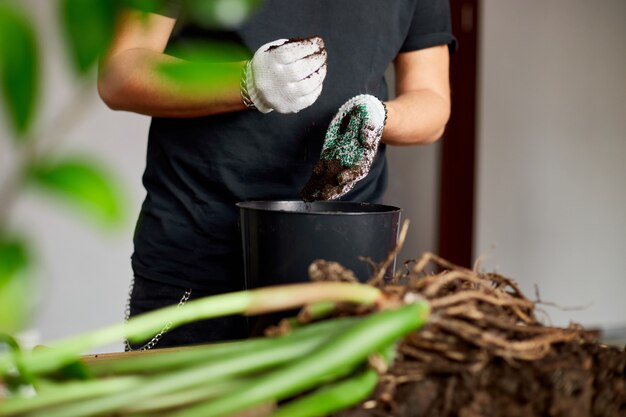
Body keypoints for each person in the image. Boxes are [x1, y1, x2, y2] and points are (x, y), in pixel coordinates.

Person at [98, 0, 456, 349]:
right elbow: (121, 71)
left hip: (344, 262)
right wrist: (247, 82)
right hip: (199, 253)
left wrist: (378, 118)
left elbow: (431, 98)